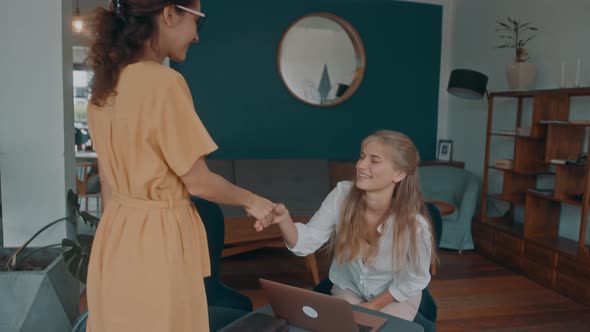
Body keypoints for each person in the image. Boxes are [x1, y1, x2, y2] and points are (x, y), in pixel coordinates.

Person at [84, 1, 275, 331]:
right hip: (158, 239)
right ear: (169, 14)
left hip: (115, 236)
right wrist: (254, 201)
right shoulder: (163, 83)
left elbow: (108, 183)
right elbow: (198, 182)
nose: (197, 38)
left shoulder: (105, 87)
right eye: (197, 23)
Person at [268, 130, 436, 321]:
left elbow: (415, 278)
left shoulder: (415, 225)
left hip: (395, 295)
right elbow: (307, 241)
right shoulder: (341, 195)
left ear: (398, 173)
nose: (360, 165)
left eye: (374, 160)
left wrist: (370, 307)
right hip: (350, 286)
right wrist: (284, 220)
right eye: (362, 157)